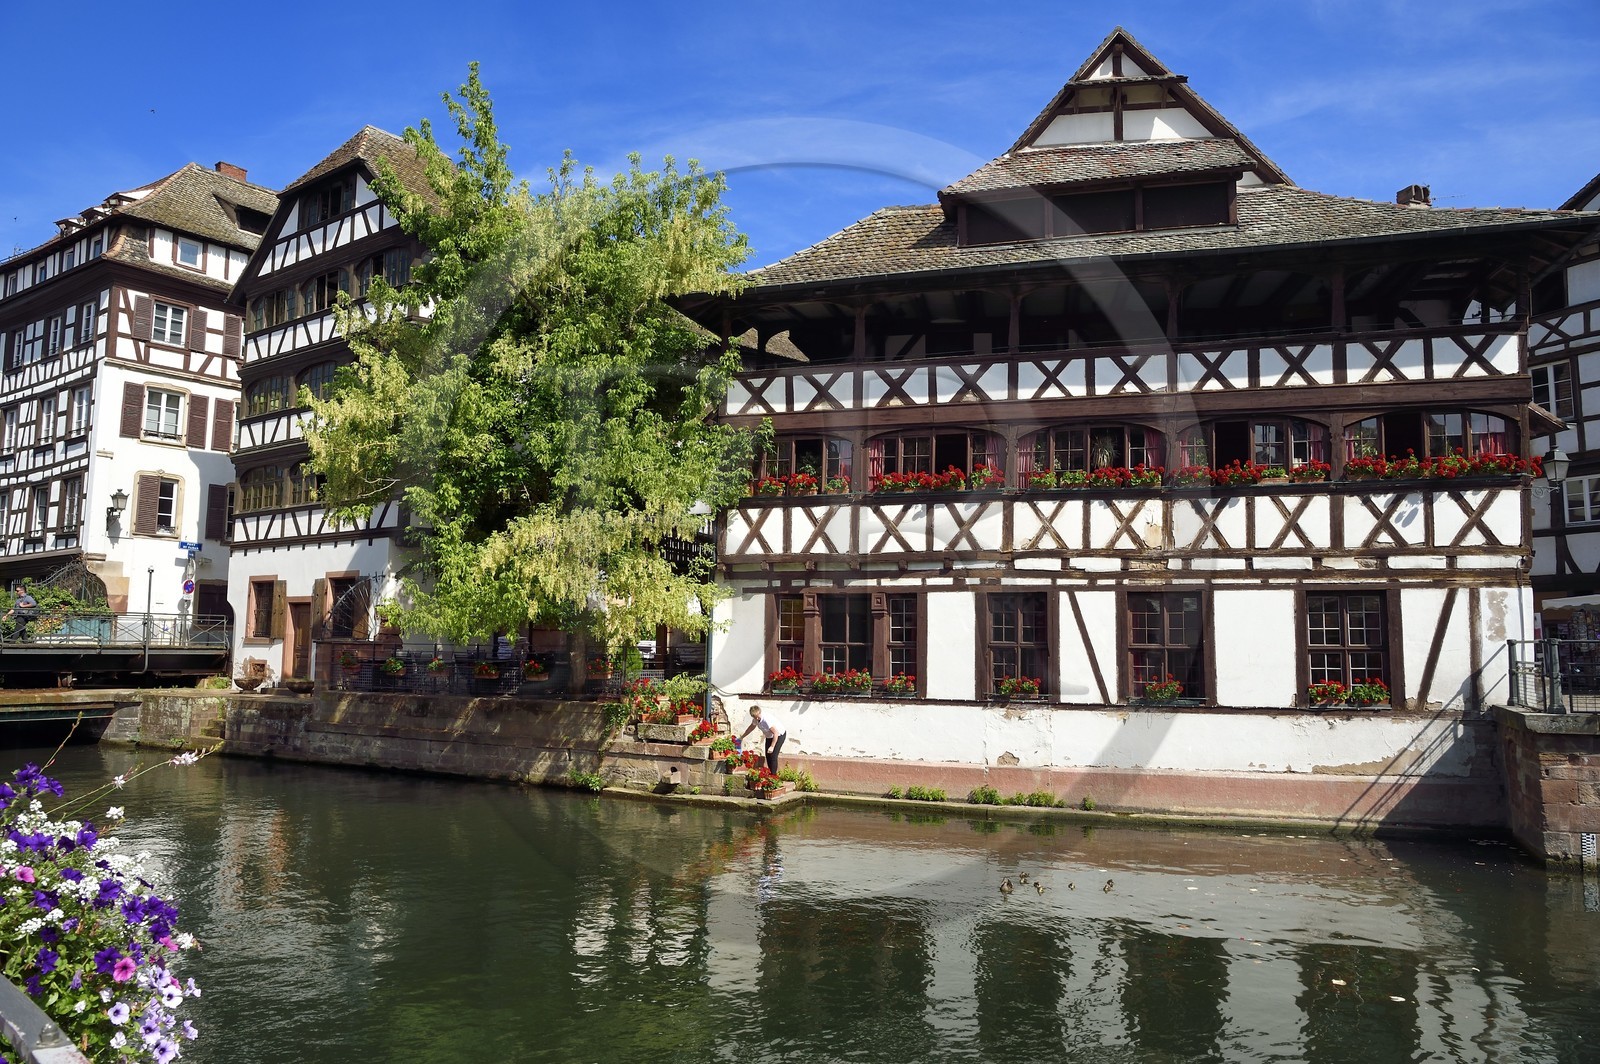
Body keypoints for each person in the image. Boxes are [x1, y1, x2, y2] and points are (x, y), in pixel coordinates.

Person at [738, 705, 786, 775]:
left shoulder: (766, 720)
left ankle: (773, 777)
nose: (757, 718)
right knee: (768, 755)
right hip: (769, 736)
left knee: (773, 756)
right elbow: (751, 728)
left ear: (760, 712)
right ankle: (770, 775)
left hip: (779, 735)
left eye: (758, 716)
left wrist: (772, 746)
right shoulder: (756, 719)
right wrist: (742, 737)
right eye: (754, 717)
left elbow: (776, 733)